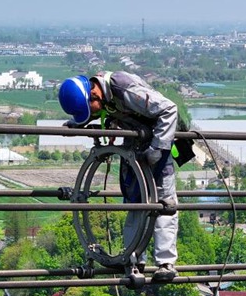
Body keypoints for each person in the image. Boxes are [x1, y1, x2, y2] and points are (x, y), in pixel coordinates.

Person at [58, 71, 179, 281]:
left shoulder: (124, 89)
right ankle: (133, 258)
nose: (94, 113)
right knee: (135, 203)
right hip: (134, 146)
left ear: (94, 94)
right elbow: (98, 111)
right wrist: (78, 123)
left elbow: (169, 109)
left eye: (90, 109)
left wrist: (157, 149)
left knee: (164, 204)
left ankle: (165, 264)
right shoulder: (102, 96)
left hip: (159, 145)